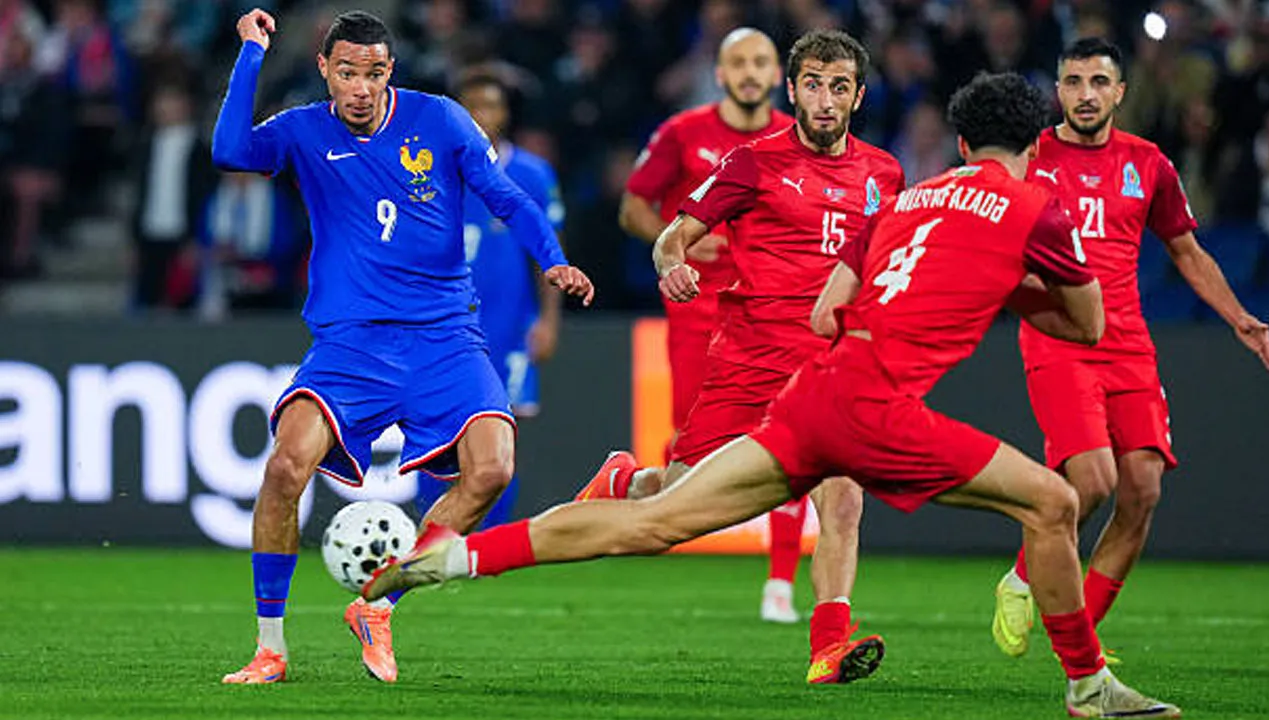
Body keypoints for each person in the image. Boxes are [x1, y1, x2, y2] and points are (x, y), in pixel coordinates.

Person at [365, 71, 1184, 719]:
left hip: (812, 394)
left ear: (963, 142)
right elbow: (1086, 324)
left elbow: (830, 309)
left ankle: (450, 557)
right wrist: (1009, 286)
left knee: (657, 518)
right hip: (878, 409)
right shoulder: (1037, 205)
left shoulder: (904, 199)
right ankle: (1088, 687)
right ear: (1031, 145)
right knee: (1051, 503)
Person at [212, 9, 593, 685]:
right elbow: (231, 151)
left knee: (493, 470)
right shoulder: (303, 130)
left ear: (393, 72)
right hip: (351, 345)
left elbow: (507, 198)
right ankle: (270, 646)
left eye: (375, 73)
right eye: (348, 72)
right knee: (282, 469)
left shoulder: (441, 119)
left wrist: (554, 260)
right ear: (326, 70)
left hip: (445, 336)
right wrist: (250, 55)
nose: (361, 87)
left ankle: (379, 605)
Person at [581, 28, 903, 680]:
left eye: (839, 86)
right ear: (793, 89)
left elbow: (883, 264)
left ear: (858, 96)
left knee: (842, 499)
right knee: (672, 506)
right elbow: (674, 231)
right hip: (751, 360)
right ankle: (628, 481)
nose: (824, 98)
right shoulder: (755, 160)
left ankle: (828, 645)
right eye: (812, 83)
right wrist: (670, 261)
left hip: (829, 367)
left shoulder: (884, 173)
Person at [991, 37, 1269, 661]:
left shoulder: (1147, 163)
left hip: (1127, 341)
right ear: (1058, 91)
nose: (1086, 94)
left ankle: (1083, 641)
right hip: (1056, 336)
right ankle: (1021, 574)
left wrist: (1238, 319)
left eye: (1098, 82)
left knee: (1143, 488)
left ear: (1120, 91)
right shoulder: (1029, 159)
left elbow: (1186, 251)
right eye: (1073, 82)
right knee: (1091, 482)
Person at [612, 27, 803, 622]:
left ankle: (781, 584)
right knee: (688, 457)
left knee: (796, 439)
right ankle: (626, 488)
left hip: (772, 319)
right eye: (738, 63)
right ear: (719, 74)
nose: (750, 72)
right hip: (696, 314)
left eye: (761, 63)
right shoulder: (683, 133)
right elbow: (633, 208)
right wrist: (679, 245)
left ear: (777, 77)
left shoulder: (793, 141)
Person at [415, 70, 566, 528]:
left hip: (508, 327)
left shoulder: (531, 174)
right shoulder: (426, 169)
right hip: (439, 326)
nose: (482, 116)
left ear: (504, 113)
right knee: (433, 434)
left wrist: (549, 320)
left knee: (500, 440)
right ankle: (431, 539)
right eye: (472, 106)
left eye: (491, 106)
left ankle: (490, 543)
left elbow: (546, 254)